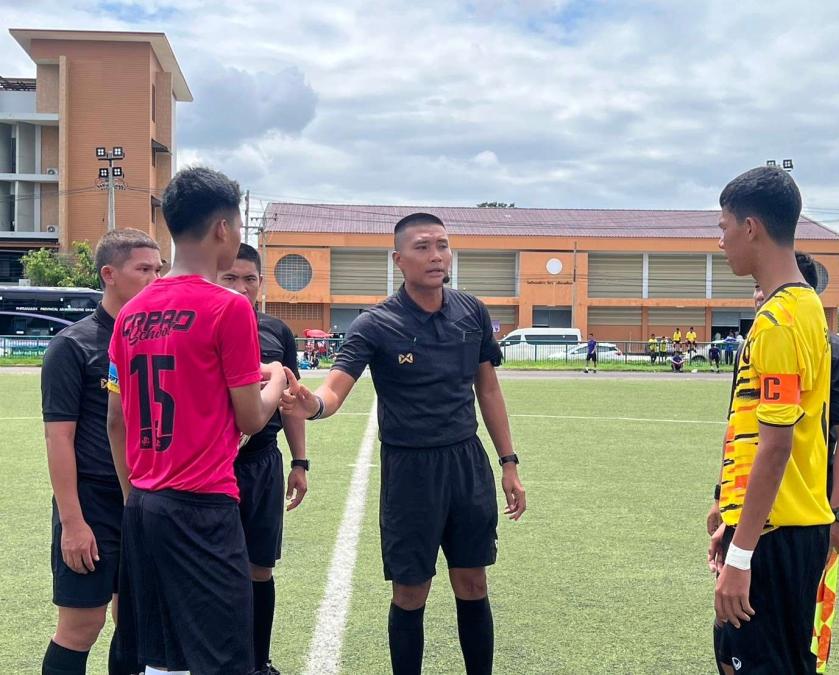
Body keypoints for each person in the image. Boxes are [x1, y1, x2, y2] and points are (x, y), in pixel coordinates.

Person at [280, 212, 526, 675]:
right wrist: (312, 405)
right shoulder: (376, 324)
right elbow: (334, 389)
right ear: (398, 260)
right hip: (410, 471)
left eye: (442, 245)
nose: (435, 256)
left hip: (466, 464)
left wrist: (508, 462)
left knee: (473, 582)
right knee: (411, 592)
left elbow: (488, 390)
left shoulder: (471, 311)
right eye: (422, 247)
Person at [106, 167, 287, 675]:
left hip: (144, 503)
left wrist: (133, 494)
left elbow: (116, 419)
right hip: (203, 506)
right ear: (223, 229)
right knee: (222, 655)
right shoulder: (229, 307)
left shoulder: (131, 312)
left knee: (160, 657)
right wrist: (275, 377)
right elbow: (250, 417)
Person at [707, 166, 833, 674]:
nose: (721, 241)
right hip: (781, 526)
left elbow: (776, 445)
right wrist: (731, 513)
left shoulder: (779, 322)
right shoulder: (806, 307)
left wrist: (742, 555)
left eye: (724, 228)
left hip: (776, 534)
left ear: (751, 227)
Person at [40, 229, 161, 675]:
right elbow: (58, 438)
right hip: (92, 502)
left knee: (135, 623)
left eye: (159, 269)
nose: (154, 279)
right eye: (143, 269)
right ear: (109, 274)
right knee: (81, 626)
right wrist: (73, 523)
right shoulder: (73, 345)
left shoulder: (153, 339)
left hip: (144, 500)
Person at [218, 243, 308, 675]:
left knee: (259, 568)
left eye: (249, 279)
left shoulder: (277, 332)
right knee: (212, 569)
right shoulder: (203, 324)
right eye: (230, 278)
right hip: (213, 466)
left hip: (262, 463)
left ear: (260, 282)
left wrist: (300, 462)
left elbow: (291, 401)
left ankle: (258, 662)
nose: (241, 288)